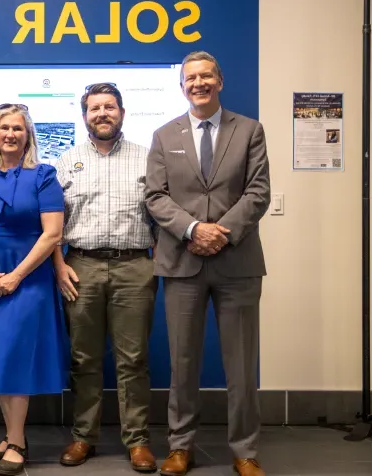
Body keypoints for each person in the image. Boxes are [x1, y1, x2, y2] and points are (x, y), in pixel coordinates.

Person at [145, 51, 270, 476]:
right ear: (182, 87)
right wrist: (193, 229)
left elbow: (258, 192)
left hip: (237, 261)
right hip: (182, 262)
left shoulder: (249, 130)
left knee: (240, 362)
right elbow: (156, 197)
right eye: (191, 78)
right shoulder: (164, 135)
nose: (198, 83)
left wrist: (221, 232)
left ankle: (245, 450)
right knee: (182, 362)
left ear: (219, 80)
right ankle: (180, 447)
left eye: (206, 76)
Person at [0, 104, 68, 476]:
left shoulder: (44, 176)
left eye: (18, 129)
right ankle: (10, 434)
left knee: (14, 355)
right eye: (4, 127)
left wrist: (16, 276)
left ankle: (17, 442)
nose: (10, 134)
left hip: (28, 276)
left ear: (28, 135)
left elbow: (52, 233)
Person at [52, 83, 158, 473]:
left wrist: (157, 262)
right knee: (84, 358)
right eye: (94, 108)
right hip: (81, 267)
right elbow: (52, 224)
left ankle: (138, 441)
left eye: (109, 107)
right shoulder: (66, 161)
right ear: (84, 117)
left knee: (134, 359)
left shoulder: (148, 159)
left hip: (135, 266)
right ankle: (83, 437)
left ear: (122, 113)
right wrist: (60, 266)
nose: (102, 114)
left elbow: (161, 216)